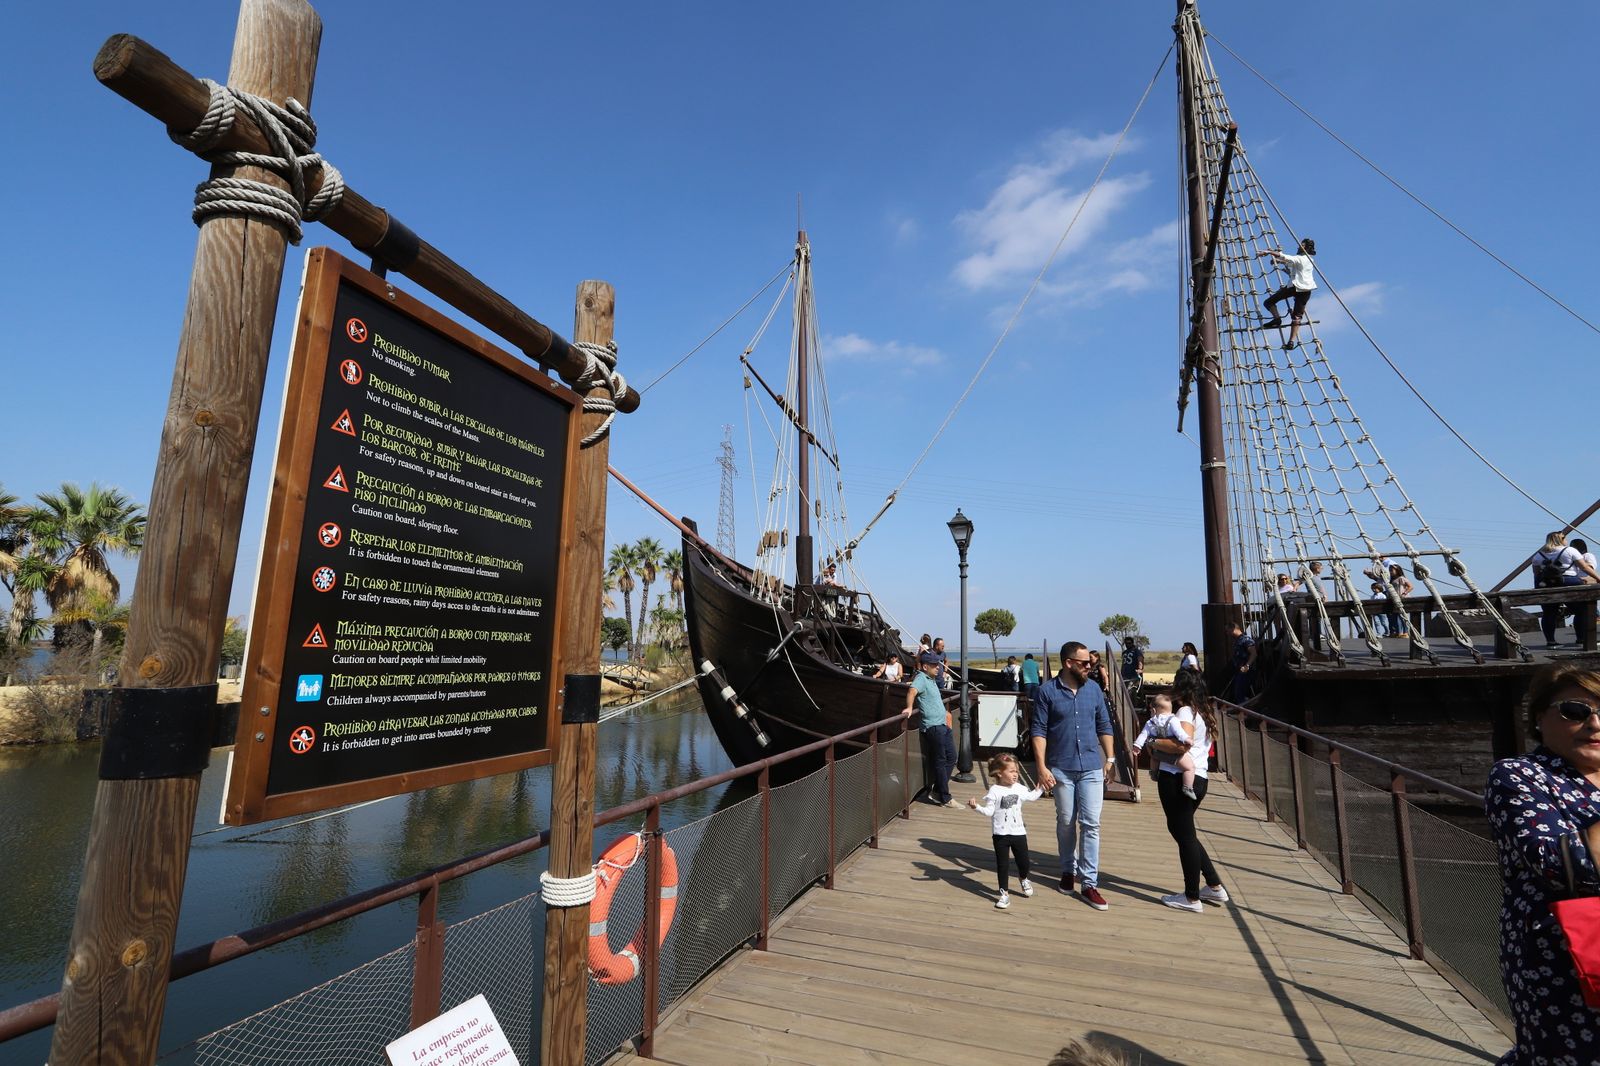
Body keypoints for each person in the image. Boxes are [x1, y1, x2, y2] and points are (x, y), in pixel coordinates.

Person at [1485, 664, 1600, 1064]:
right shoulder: (1520, 776)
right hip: (1565, 966)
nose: (1595, 723)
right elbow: (1566, 864)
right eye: (1575, 711)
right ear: (1540, 718)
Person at [1031, 641, 1115, 910]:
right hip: (1061, 767)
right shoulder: (1046, 692)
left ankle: (1089, 882)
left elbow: (1104, 724)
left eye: (1091, 663)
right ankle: (1068, 869)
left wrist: (1110, 758)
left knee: (1092, 824)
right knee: (1066, 821)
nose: (1090, 667)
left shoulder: (1094, 691)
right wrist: (1042, 767)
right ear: (1068, 663)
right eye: (1084, 663)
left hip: (1091, 766)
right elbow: (1039, 731)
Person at [1148, 671, 1228, 913]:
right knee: (1185, 832)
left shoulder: (1184, 712)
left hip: (1176, 778)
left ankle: (1192, 897)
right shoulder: (1203, 711)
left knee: (1184, 836)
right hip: (1198, 777)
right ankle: (1214, 885)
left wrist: (1152, 743)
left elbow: (1183, 743)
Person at [968, 752, 1042, 909]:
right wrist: (976, 807)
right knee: (1002, 865)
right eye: (1011, 771)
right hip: (1000, 835)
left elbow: (1032, 797)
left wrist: (1042, 786)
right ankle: (1004, 894)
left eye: (1016, 771)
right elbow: (989, 812)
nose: (1015, 774)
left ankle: (1023, 879)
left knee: (1024, 862)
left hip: (1019, 833)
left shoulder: (1020, 788)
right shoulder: (994, 790)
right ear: (999, 773)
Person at [903, 653, 959, 808]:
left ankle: (937, 790)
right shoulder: (921, 678)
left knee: (952, 757)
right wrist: (909, 707)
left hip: (942, 724)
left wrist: (945, 713)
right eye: (935, 665)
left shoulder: (932, 679)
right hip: (933, 726)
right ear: (925, 666)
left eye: (938, 664)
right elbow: (912, 691)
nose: (938, 667)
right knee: (941, 760)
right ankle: (945, 797)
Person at [1531, 532, 1600, 648]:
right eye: (1565, 537)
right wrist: (1598, 578)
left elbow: (1537, 574)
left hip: (1547, 585)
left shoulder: (1539, 555)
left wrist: (1538, 588)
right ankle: (1581, 639)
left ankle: (1550, 642)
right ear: (1561, 539)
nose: (1566, 540)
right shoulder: (1569, 551)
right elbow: (1584, 567)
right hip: (1568, 581)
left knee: (1549, 613)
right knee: (1581, 611)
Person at [1132, 693, 1196, 800]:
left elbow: (1143, 735)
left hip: (1157, 752)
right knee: (1189, 768)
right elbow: (1180, 733)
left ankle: (1153, 772)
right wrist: (1187, 739)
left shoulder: (1150, 723)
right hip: (1172, 753)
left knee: (1153, 757)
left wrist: (1137, 746)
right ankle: (1187, 787)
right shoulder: (1173, 720)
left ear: (1153, 710)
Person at [1257, 236, 1317, 350]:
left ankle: (1277, 319)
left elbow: (1287, 257)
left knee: (1268, 302)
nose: (1299, 246)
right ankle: (1291, 342)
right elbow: (1291, 263)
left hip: (1294, 287)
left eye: (1302, 245)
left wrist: (1269, 252)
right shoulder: (1309, 260)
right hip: (1306, 290)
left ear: (1306, 248)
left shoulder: (1301, 258)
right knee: (1297, 317)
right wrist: (1280, 262)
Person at [1227, 621, 1255, 704]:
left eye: (1227, 630)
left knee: (1240, 693)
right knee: (1238, 693)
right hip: (1239, 671)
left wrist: (1247, 666)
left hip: (1245, 671)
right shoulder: (1237, 640)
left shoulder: (1245, 639)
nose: (1227, 633)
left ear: (1233, 629)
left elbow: (1254, 653)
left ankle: (1245, 713)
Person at [1385, 563, 1414, 639]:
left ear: (1397, 570)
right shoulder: (1391, 580)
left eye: (1392, 570)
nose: (1391, 572)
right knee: (1396, 616)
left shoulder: (1401, 578)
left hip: (1402, 598)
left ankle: (1405, 632)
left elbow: (1410, 586)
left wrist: (1405, 592)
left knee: (1403, 616)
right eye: (1390, 570)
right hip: (1394, 599)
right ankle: (1399, 632)